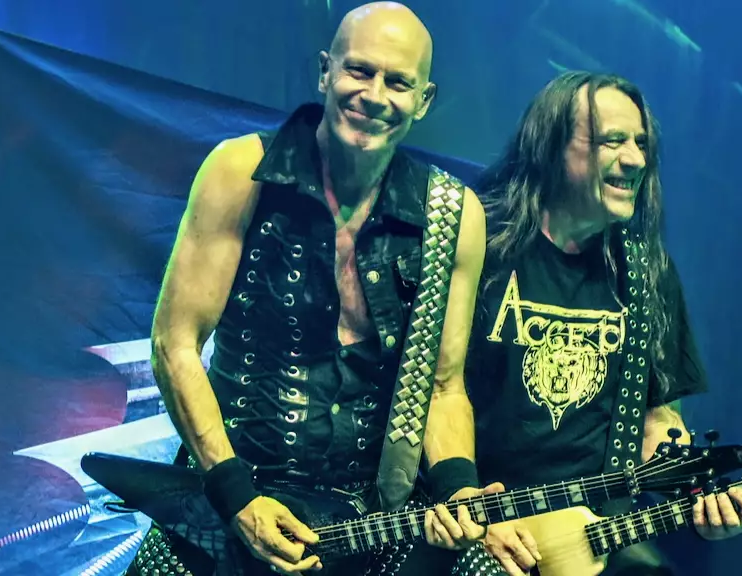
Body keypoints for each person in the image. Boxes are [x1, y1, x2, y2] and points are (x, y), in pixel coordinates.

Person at [123, 3, 498, 575]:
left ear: (423, 101)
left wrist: (458, 490)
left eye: (398, 83)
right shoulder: (239, 170)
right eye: (359, 71)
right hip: (226, 496)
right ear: (325, 71)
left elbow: (444, 388)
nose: (375, 96)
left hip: (364, 522)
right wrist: (236, 496)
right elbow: (174, 345)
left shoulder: (454, 215)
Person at [456, 71, 742, 576]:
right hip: (485, 526)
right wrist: (464, 504)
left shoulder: (645, 269)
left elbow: (657, 420)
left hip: (592, 535)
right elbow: (437, 394)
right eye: (612, 141)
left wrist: (699, 495)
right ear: (551, 146)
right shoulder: (481, 243)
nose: (636, 159)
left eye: (641, 143)